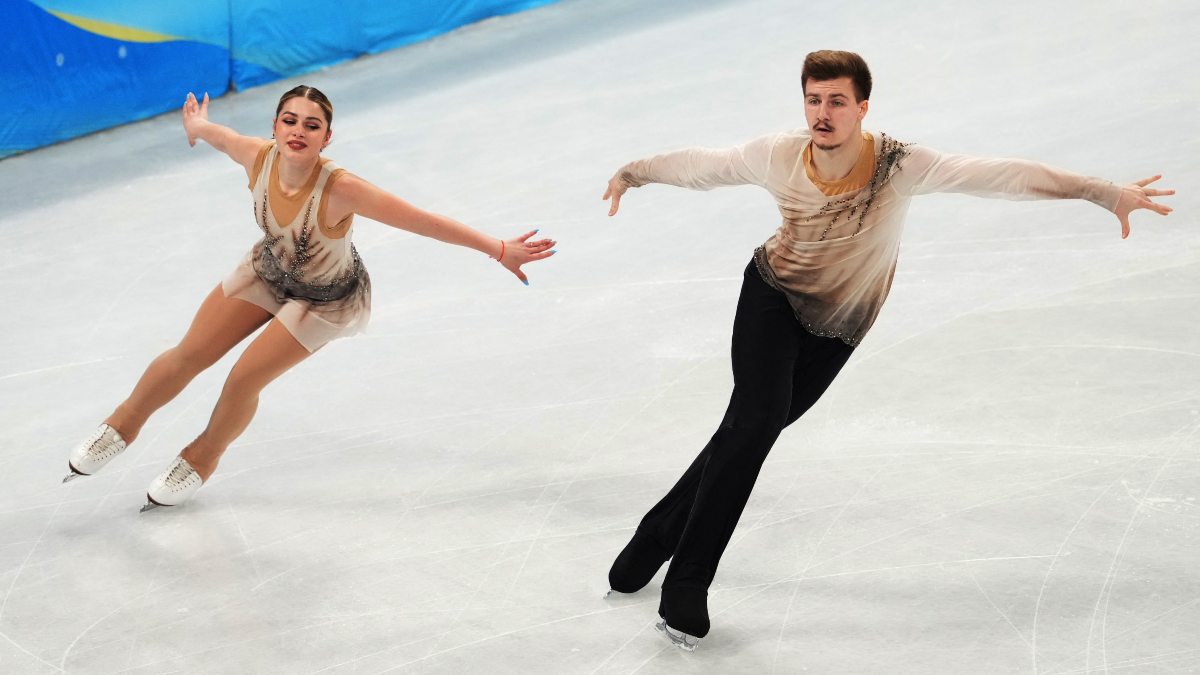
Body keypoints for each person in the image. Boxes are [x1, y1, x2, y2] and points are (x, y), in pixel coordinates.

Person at [601, 50, 1174, 651]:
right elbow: (700, 166)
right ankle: (687, 585)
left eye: (837, 102)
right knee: (758, 419)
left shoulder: (899, 165)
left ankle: (653, 534)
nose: (823, 114)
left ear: (862, 108)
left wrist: (1101, 192)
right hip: (772, 295)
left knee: (750, 430)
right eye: (814, 99)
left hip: (841, 327)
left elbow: (999, 175)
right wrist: (633, 171)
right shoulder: (777, 155)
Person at [63, 85, 556, 511]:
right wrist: (198, 125)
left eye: (312, 125)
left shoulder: (343, 189)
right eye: (290, 120)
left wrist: (498, 249)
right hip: (269, 270)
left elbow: (424, 221)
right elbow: (221, 138)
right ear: (276, 127)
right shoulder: (257, 156)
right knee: (190, 353)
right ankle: (121, 425)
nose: (299, 130)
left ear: (327, 137)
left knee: (241, 380)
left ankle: (203, 456)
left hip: (324, 299)